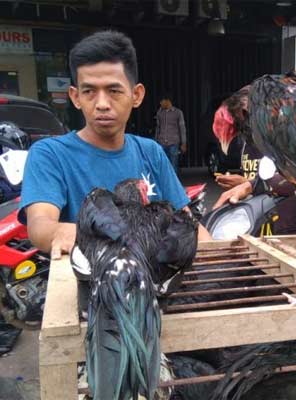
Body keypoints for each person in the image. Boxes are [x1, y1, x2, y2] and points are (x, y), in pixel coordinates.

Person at [19, 30, 211, 260]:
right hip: (89, 287)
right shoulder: (50, 154)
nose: (101, 104)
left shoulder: (150, 152)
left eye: (114, 91)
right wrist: (64, 232)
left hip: (158, 282)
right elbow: (40, 224)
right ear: (75, 97)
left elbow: (185, 220)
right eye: (89, 91)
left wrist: (215, 254)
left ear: (136, 95)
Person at [212, 93, 296, 235]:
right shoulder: (247, 142)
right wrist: (243, 183)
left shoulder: (282, 139)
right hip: (259, 220)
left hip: (284, 223)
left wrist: (248, 184)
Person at [155, 93, 187, 172]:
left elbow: (182, 128)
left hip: (173, 143)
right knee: (162, 165)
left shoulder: (178, 113)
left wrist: (184, 143)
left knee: (173, 165)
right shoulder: (159, 113)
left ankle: (172, 183)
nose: (160, 103)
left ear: (167, 101)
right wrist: (156, 141)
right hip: (161, 142)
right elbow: (158, 128)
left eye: (161, 101)